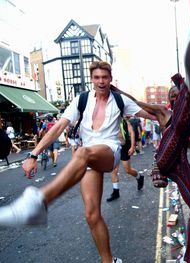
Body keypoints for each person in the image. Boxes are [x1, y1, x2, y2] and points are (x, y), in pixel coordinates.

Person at [0, 61, 154, 263]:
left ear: (110, 79)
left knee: (81, 153)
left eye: (105, 77)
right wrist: (33, 154)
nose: (101, 81)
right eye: (97, 77)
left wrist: (171, 118)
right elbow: (58, 127)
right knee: (91, 214)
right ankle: (109, 260)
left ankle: (38, 203)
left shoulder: (120, 100)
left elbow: (151, 114)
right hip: (88, 157)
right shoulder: (81, 100)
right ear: (92, 79)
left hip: (109, 152)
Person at [137, 38, 190, 263]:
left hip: (180, 163)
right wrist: (116, 93)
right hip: (165, 157)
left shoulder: (188, 116)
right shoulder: (164, 114)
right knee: (177, 127)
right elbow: (137, 106)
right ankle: (188, 81)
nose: (174, 99)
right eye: (172, 97)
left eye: (177, 95)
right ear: (169, 101)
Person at [106, 117, 144, 202]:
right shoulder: (108, 120)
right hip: (113, 147)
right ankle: (116, 192)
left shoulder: (123, 120)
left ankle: (139, 177)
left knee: (128, 170)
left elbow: (132, 132)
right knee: (114, 170)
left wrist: (132, 146)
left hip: (124, 147)